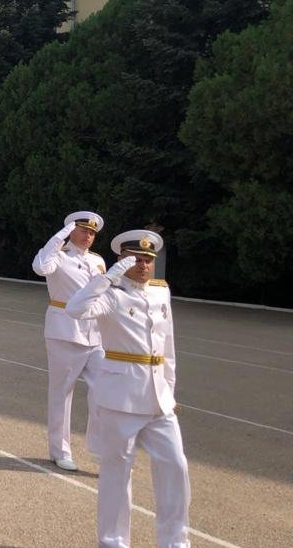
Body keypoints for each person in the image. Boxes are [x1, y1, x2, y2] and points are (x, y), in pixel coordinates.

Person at [66, 230, 190, 548]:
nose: (144, 265)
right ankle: (112, 541)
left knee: (175, 467)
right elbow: (75, 309)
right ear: (123, 260)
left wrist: (170, 390)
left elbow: (169, 348)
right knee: (117, 475)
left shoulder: (161, 293)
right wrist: (107, 278)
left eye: (149, 259)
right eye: (137, 259)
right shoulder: (110, 296)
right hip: (120, 399)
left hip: (158, 400)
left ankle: (175, 542)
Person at [32, 211, 106, 472]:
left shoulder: (98, 261)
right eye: (84, 230)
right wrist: (60, 237)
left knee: (105, 392)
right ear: (71, 231)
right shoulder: (57, 257)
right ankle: (59, 450)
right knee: (62, 394)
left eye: (93, 233)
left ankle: (102, 451)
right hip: (64, 330)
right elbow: (40, 267)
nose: (89, 236)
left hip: (95, 333)